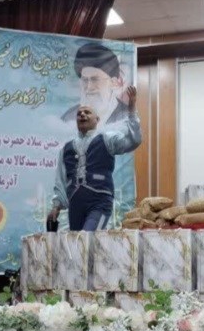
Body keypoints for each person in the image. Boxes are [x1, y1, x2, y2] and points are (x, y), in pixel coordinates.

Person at [48, 85, 141, 231]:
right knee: (77, 243)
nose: (82, 115)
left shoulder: (108, 139)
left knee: (86, 237)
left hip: (100, 202)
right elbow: (60, 180)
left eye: (87, 112)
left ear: (97, 119)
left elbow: (134, 141)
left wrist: (131, 111)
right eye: (79, 113)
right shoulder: (66, 149)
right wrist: (56, 207)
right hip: (75, 205)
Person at [61, 42, 132, 126]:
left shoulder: (127, 117)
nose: (89, 87)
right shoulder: (69, 118)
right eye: (85, 80)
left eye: (95, 79)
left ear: (114, 82)